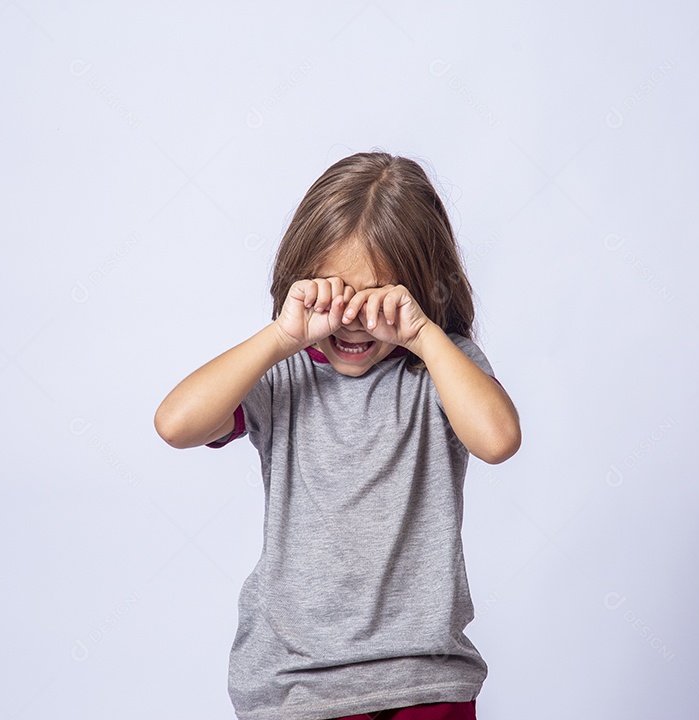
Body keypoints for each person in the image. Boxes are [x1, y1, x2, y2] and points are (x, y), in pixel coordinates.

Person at [154, 151, 521, 720]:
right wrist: (281, 337)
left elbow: (498, 440)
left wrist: (424, 334)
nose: (351, 316)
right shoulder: (282, 373)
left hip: (423, 680)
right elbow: (175, 425)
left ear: (420, 289)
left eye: (376, 294)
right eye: (334, 290)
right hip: (294, 685)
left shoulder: (440, 369)